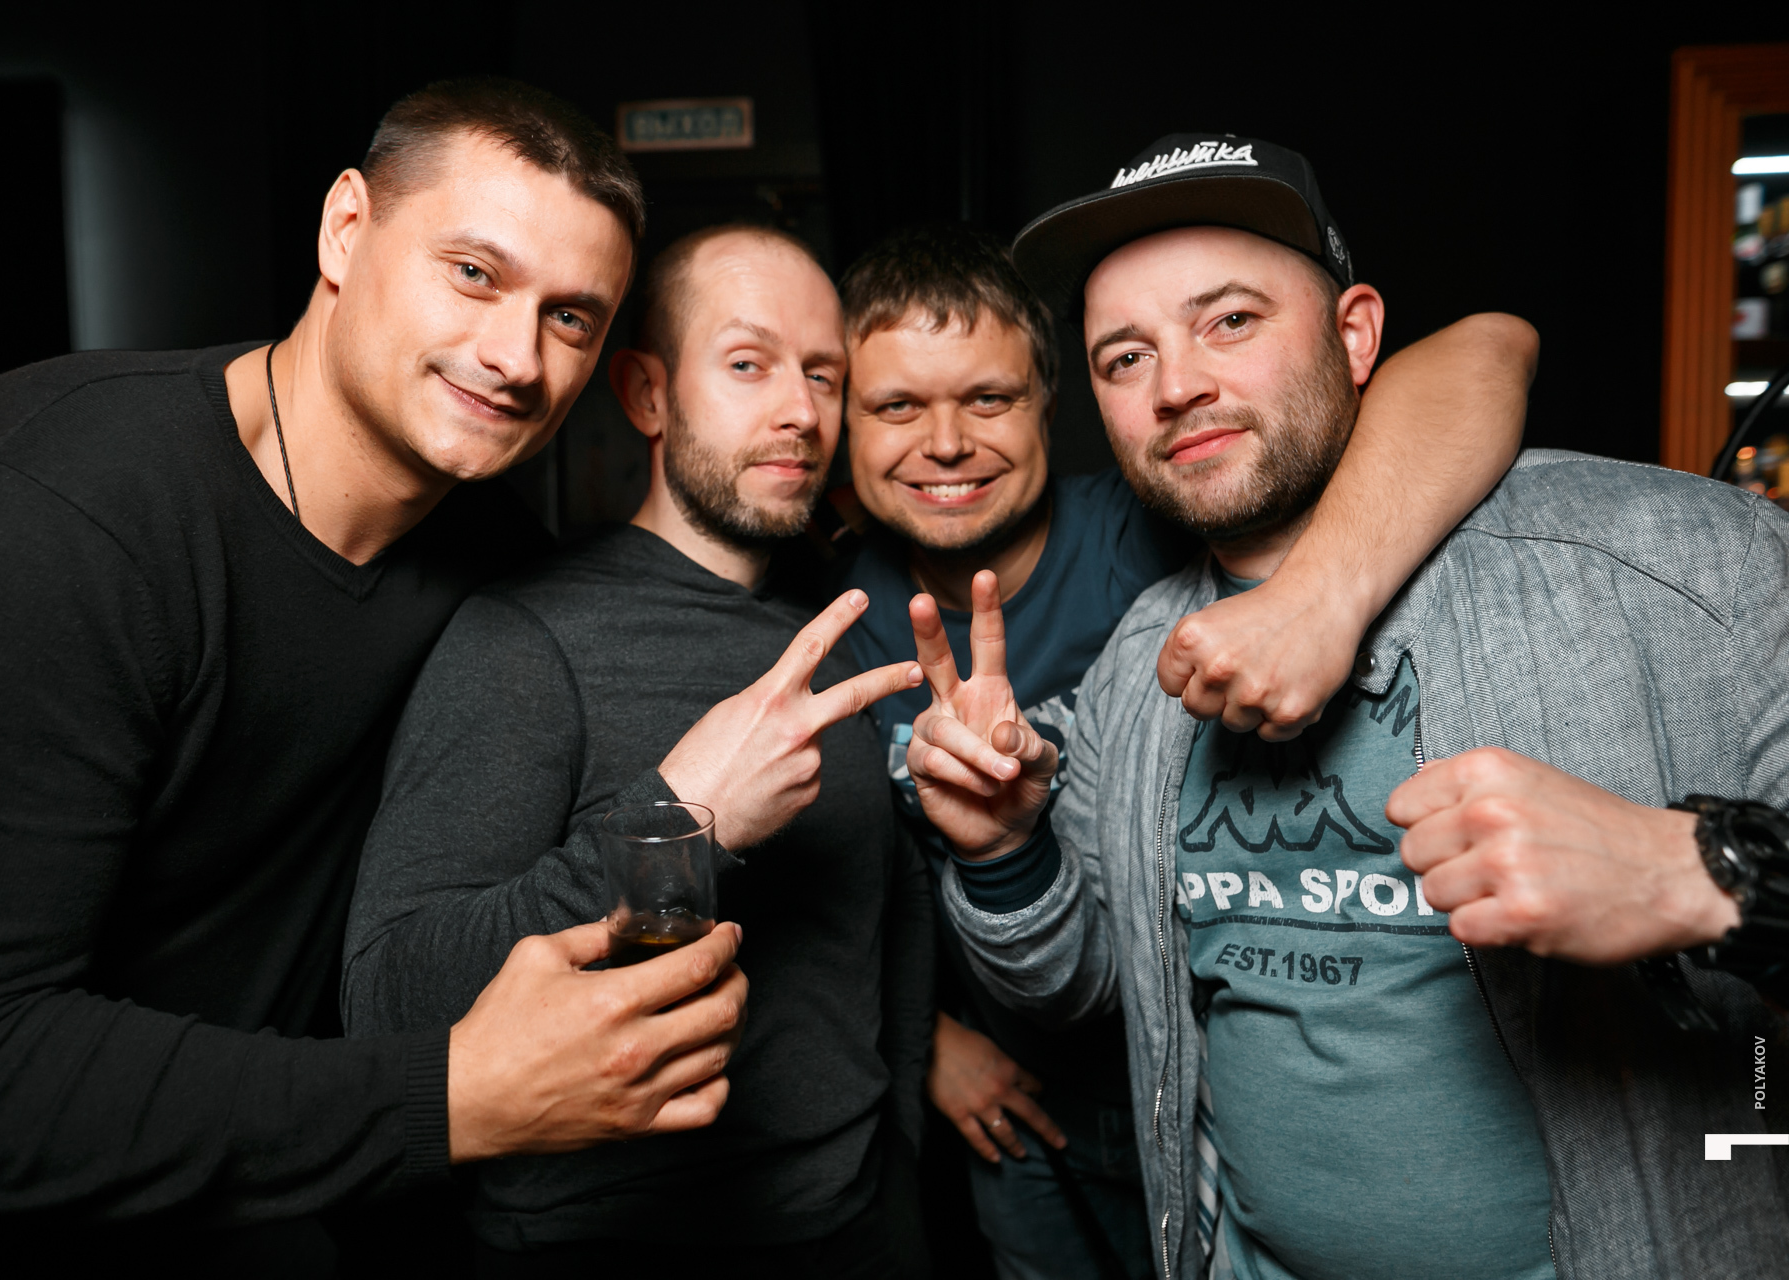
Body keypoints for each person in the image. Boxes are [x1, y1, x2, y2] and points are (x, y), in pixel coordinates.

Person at [0, 79, 754, 1277]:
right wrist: (450, 1095)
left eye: (570, 318)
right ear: (346, 230)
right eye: (474, 274)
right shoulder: (59, 522)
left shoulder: (491, 559)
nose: (515, 357)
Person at [902, 135, 1789, 1280]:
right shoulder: (1139, 661)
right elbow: (1083, 983)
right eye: (1126, 355)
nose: (1176, 386)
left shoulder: (1679, 564)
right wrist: (1003, 851)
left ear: (1357, 334)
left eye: (1230, 321)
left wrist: (1702, 872)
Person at [830, 223, 1535, 1279]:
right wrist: (927, 1040)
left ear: (1051, 403)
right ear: (843, 422)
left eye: (988, 398)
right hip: (1014, 1085)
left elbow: (1484, 351)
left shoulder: (1162, 517)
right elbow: (830, 894)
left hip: (1211, 1085)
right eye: (895, 406)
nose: (946, 443)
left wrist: (1317, 596)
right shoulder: (828, 612)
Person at [340, 224, 931, 1279]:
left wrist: (903, 1169)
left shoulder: (841, 621)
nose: (801, 412)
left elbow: (882, 933)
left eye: (823, 375)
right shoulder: (525, 640)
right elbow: (391, 1000)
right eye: (747, 364)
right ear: (649, 395)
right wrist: (680, 820)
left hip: (855, 1226)